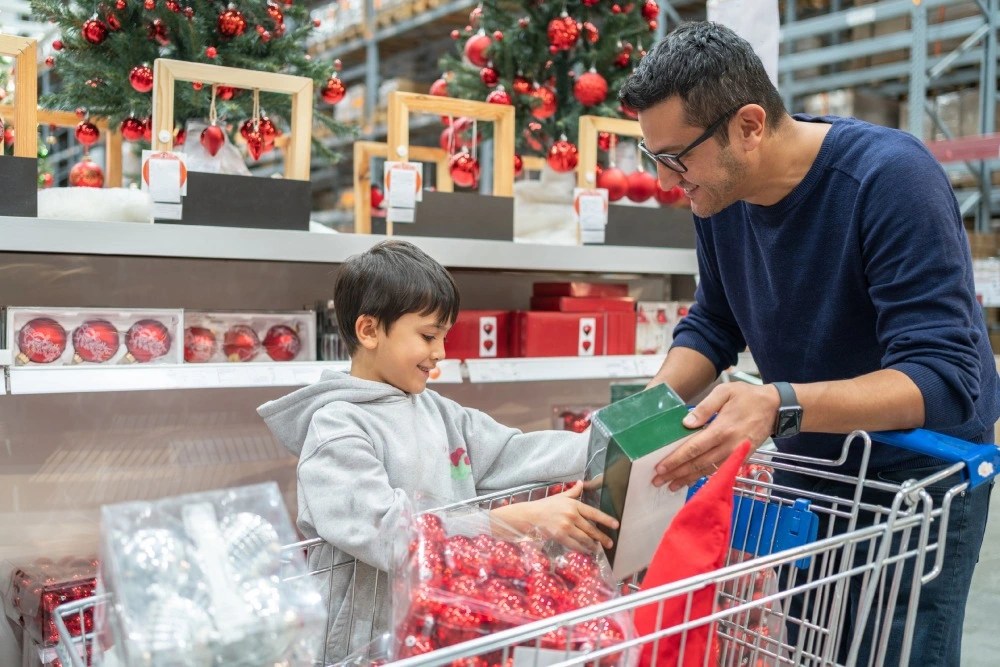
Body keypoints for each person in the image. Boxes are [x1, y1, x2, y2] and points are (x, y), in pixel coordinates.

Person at [619, 20, 997, 666]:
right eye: (655, 158)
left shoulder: (889, 182)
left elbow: (942, 376)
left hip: (913, 481)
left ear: (749, 125)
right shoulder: (720, 195)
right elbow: (715, 322)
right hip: (815, 469)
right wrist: (640, 414)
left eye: (676, 158)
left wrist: (777, 403)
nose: (664, 180)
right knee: (818, 650)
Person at [257, 239, 617, 662]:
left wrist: (606, 446)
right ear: (369, 330)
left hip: (441, 628)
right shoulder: (336, 427)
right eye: (428, 336)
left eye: (443, 336)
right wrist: (506, 523)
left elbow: (516, 452)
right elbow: (385, 531)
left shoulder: (440, 413)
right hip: (362, 644)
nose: (440, 353)